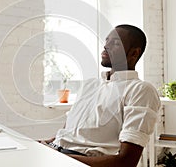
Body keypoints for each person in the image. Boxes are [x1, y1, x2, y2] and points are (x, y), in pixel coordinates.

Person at [39, 24, 161, 167]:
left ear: (134, 53)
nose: (106, 46)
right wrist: (42, 145)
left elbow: (126, 162)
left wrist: (61, 158)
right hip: (55, 153)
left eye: (115, 43)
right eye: (107, 41)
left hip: (75, 161)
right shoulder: (90, 85)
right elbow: (69, 134)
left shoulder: (140, 90)